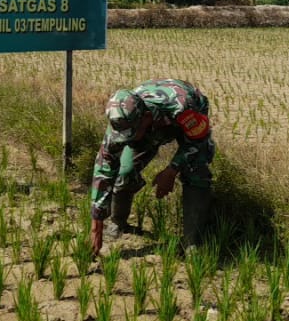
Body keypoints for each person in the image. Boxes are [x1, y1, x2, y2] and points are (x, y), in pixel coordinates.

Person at [89, 79, 215, 253]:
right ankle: (118, 222)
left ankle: (192, 243)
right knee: (125, 171)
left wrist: (171, 171)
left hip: (186, 123)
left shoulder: (183, 107)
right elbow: (104, 168)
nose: (128, 139)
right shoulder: (121, 121)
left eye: (132, 134)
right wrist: (96, 224)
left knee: (196, 171)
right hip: (151, 126)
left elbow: (198, 141)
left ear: (146, 118)